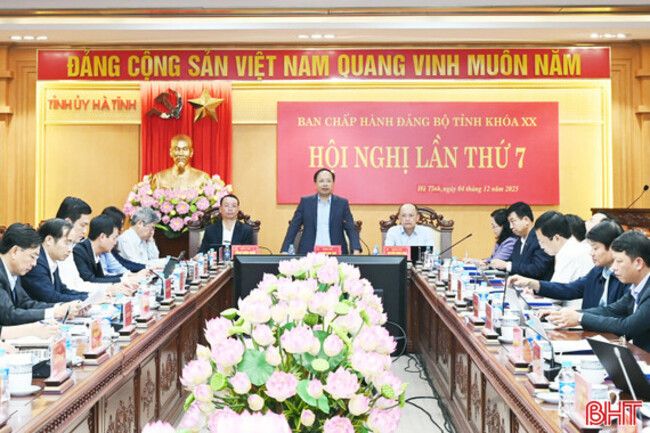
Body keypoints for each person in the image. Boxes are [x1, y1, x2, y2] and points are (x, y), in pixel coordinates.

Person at [547, 231, 650, 352]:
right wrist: (564, 315)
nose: (613, 267)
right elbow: (610, 311)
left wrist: (580, 318)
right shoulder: (636, 287)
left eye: (619, 261)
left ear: (638, 263)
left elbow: (627, 327)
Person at [509, 219, 627, 309]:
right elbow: (570, 289)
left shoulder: (624, 277)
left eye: (595, 248)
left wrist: (578, 317)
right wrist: (531, 283)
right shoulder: (598, 271)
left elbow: (614, 316)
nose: (591, 253)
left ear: (612, 247)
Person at [0, 223, 80, 325]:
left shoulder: (14, 272)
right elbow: (8, 315)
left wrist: (60, 308)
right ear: (15, 251)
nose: (34, 264)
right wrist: (54, 313)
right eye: (32, 257)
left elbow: (25, 303)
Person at [281, 168, 361, 255]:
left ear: (333, 183)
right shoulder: (306, 202)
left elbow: (350, 228)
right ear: (315, 183)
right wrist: (285, 249)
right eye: (321, 181)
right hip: (309, 254)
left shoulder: (342, 203)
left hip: (336, 254)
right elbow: (294, 227)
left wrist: (356, 249)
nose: (325, 184)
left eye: (328, 181)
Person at [22, 219, 88, 303]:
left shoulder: (51, 259)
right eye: (67, 242)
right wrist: (86, 299)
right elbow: (50, 298)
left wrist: (89, 296)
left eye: (71, 244)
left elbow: (62, 290)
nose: (70, 250)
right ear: (49, 240)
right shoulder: (36, 261)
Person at [489, 201, 554, 280]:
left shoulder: (540, 239)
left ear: (526, 220)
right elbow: (513, 264)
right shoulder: (518, 241)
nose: (511, 227)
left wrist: (507, 265)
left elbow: (537, 269)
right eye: (509, 223)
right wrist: (495, 265)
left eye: (513, 221)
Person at [533, 211, 593, 283]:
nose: (541, 247)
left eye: (542, 241)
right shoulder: (579, 246)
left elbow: (557, 287)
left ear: (556, 238)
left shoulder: (566, 254)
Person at [74, 215, 124, 284]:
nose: (115, 243)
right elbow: (89, 280)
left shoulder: (95, 252)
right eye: (114, 238)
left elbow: (100, 277)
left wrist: (125, 277)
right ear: (102, 237)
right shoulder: (79, 251)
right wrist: (121, 280)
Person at [101, 206, 146, 273]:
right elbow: (123, 264)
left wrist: (146, 267)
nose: (122, 228)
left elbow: (120, 265)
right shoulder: (105, 245)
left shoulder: (111, 244)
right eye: (120, 224)